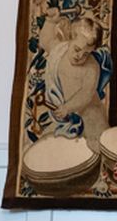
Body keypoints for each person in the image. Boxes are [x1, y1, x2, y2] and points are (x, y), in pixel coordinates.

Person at [38, 9, 110, 152]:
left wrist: (68, 107)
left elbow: (86, 94)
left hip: (89, 113)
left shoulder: (92, 67)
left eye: (86, 53)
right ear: (70, 39)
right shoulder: (59, 50)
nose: (80, 56)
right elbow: (45, 40)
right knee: (53, 147)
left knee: (96, 147)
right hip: (64, 113)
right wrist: (51, 21)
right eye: (77, 49)